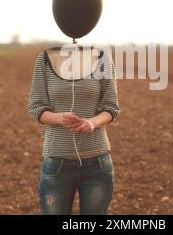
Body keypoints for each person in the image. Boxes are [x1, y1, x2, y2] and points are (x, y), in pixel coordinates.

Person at [28, 45, 121, 215]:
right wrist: (60, 118)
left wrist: (92, 123)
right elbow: (36, 107)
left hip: (98, 164)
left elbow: (111, 107)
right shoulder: (45, 59)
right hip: (57, 162)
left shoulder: (102, 57)